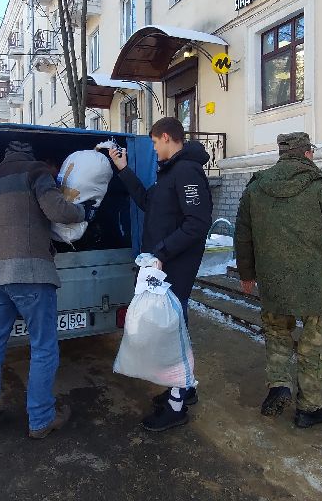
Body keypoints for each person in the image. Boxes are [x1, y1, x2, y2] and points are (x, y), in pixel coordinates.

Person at [0, 141, 97, 440]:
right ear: (32, 156)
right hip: (29, 273)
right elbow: (57, 210)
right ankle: (40, 420)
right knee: (43, 346)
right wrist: (83, 212)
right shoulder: (35, 171)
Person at [234, 132, 322, 428]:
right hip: (317, 287)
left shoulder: (256, 187)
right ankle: (310, 408)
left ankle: (279, 384)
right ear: (307, 153)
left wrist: (247, 274)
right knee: (314, 346)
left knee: (277, 335)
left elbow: (243, 234)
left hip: (273, 283)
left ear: (281, 154)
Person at [108, 117, 212, 432]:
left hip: (174, 267)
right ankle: (183, 388)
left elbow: (197, 223)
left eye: (154, 142)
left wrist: (162, 254)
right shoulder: (170, 173)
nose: (153, 148)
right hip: (163, 267)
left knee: (172, 329)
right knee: (174, 327)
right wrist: (123, 169)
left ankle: (176, 406)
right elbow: (147, 202)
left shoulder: (187, 171)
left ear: (166, 137)